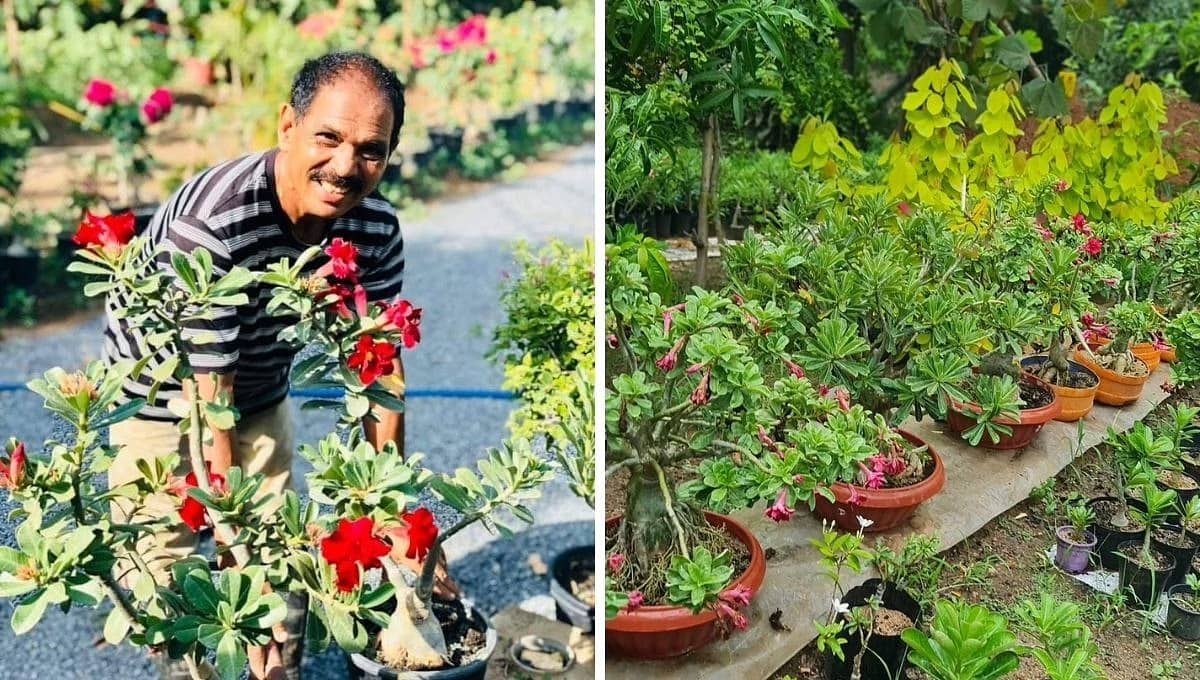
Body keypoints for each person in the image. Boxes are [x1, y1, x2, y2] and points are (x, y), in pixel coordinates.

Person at [102, 52, 449, 680]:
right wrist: (234, 551)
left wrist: (394, 508)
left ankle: (279, 666)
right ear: (287, 123)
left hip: (258, 389)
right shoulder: (215, 223)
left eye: (372, 149)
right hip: (157, 397)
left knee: (281, 570)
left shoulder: (374, 228)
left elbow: (379, 368)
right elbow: (212, 396)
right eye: (329, 137)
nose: (347, 166)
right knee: (163, 580)